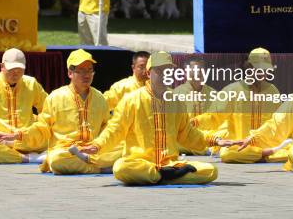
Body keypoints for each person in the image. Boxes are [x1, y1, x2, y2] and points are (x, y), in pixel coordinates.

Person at [78, 51, 235, 185]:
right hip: (141, 163)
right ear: (148, 73)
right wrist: (98, 145)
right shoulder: (132, 100)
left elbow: (187, 133)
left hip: (170, 163)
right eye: (160, 71)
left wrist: (215, 140)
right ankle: (166, 175)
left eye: (168, 71)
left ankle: (160, 175)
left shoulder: (175, 100)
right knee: (121, 168)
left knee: (210, 171)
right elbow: (115, 129)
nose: (165, 75)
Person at [0, 49, 117, 174]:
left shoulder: (99, 97)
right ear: (70, 73)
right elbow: (42, 127)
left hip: (93, 149)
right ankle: (99, 168)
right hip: (66, 151)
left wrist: (98, 145)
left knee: (124, 149)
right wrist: (19, 135)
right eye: (82, 71)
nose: (87, 75)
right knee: (57, 161)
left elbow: (107, 127)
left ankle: (91, 161)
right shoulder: (56, 97)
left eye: (90, 70)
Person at [193, 47, 288, 163]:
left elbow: (279, 121)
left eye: (265, 69)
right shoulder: (232, 90)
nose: (262, 72)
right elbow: (213, 116)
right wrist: (194, 122)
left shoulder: (272, 90)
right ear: (249, 68)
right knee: (228, 154)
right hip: (240, 144)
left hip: (266, 142)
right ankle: (266, 154)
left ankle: (263, 154)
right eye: (258, 68)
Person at [173, 56, 217, 155]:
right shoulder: (177, 94)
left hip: (209, 139)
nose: (200, 73)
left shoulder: (214, 94)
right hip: (186, 140)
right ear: (186, 72)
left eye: (203, 69)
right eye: (196, 69)